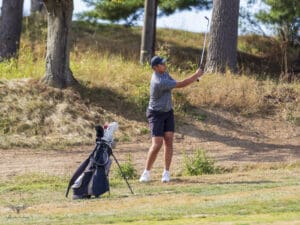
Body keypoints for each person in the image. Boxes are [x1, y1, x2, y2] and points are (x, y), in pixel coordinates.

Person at [139, 56, 203, 183]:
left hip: (168, 112)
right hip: (156, 114)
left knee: (168, 141)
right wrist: (196, 75)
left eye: (164, 63)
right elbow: (181, 84)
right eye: (162, 64)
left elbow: (176, 82)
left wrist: (195, 78)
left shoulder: (165, 74)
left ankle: (166, 173)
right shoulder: (159, 81)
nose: (164, 64)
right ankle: (146, 173)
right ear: (155, 68)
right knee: (157, 144)